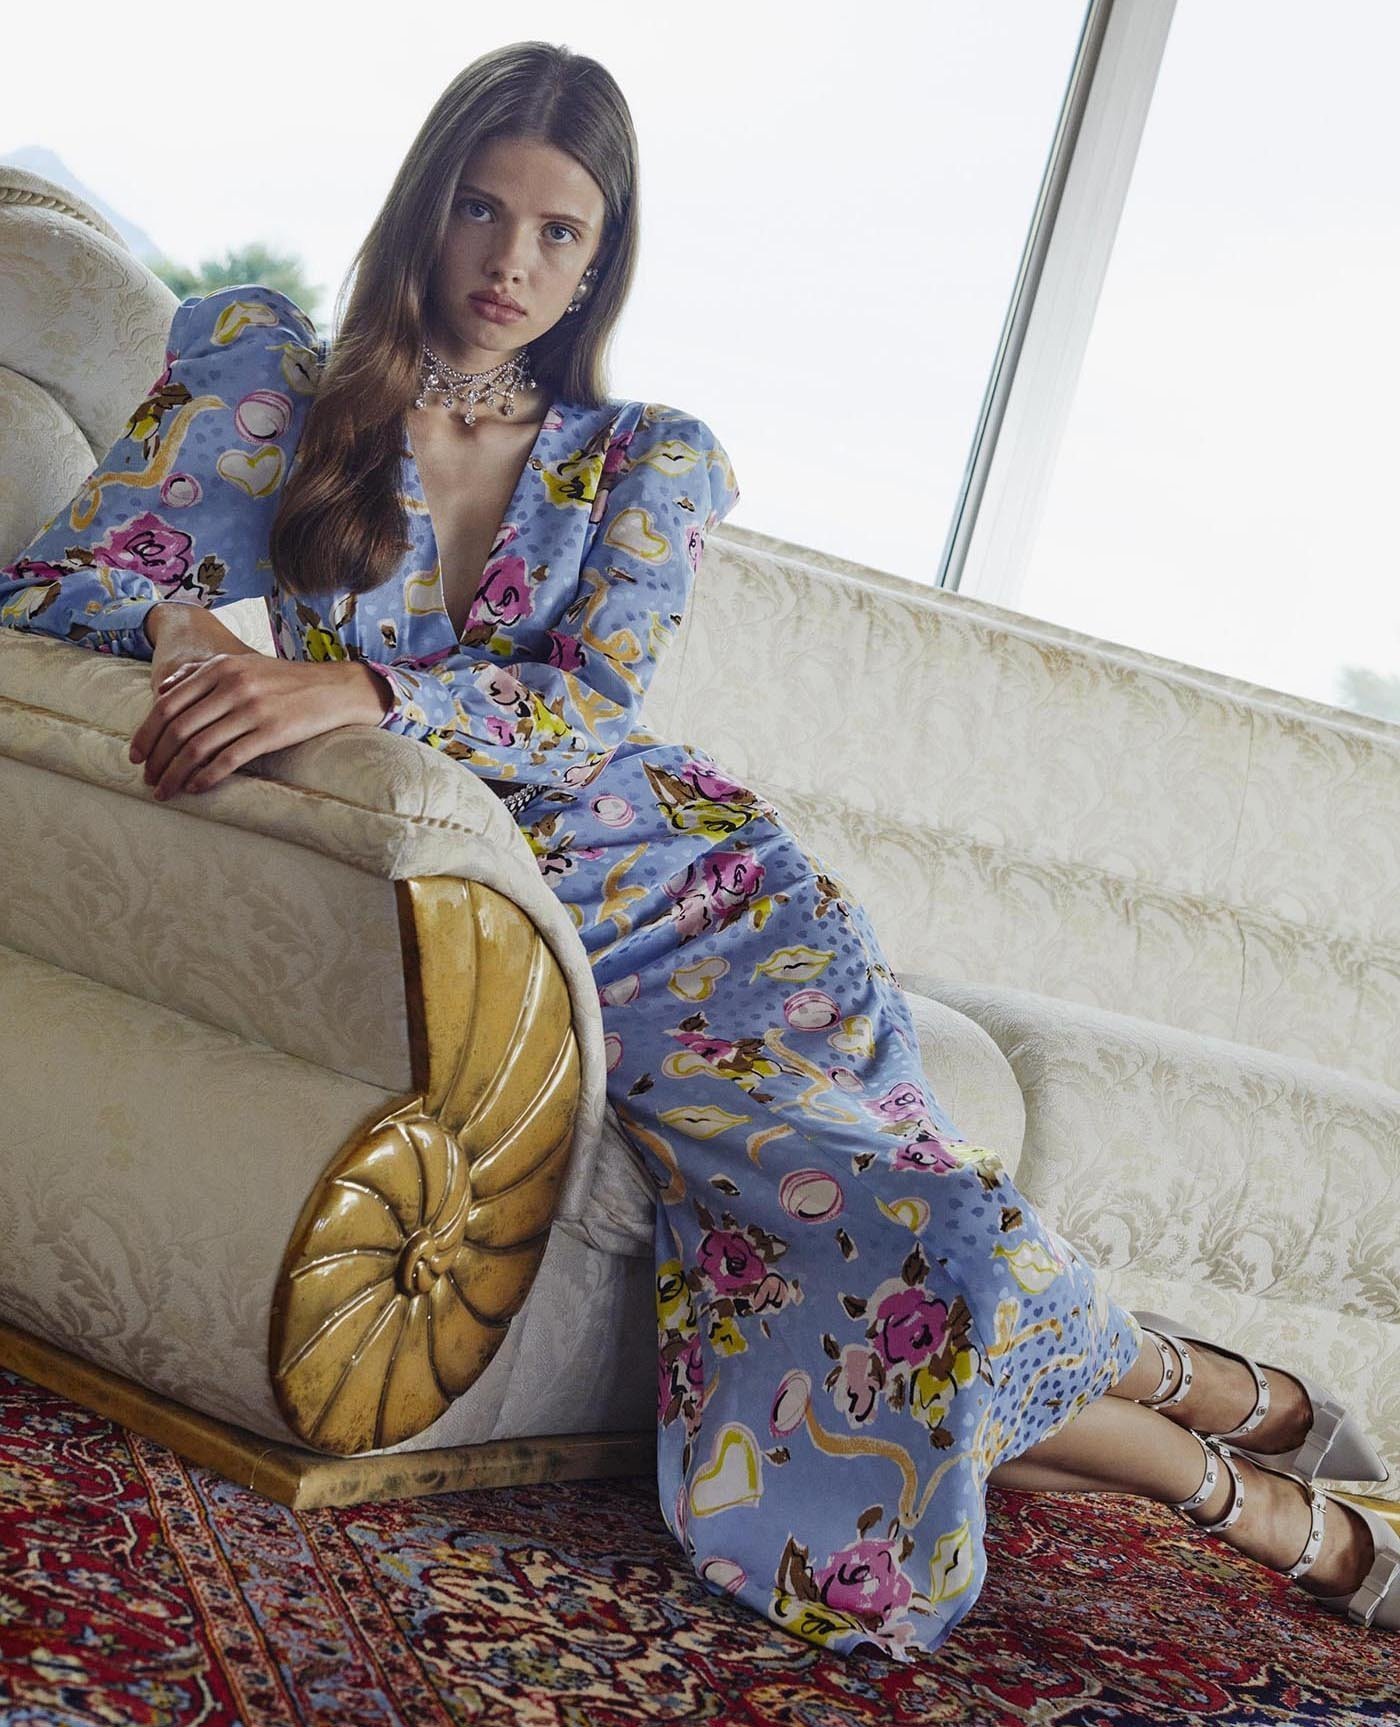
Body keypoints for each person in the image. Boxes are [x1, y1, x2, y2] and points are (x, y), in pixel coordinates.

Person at [3, 39, 1396, 1661]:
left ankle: (1266, 1482)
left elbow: (590, 709)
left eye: (562, 231)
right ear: (424, 206)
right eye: (481, 210)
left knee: (898, 1234)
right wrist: (191, 634)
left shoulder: (641, 459)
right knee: (915, 1255)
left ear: (603, 259)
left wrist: (363, 687)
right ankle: (1240, 1432)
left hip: (708, 907)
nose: (512, 263)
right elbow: (60, 589)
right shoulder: (275, 382)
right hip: (507, 907)